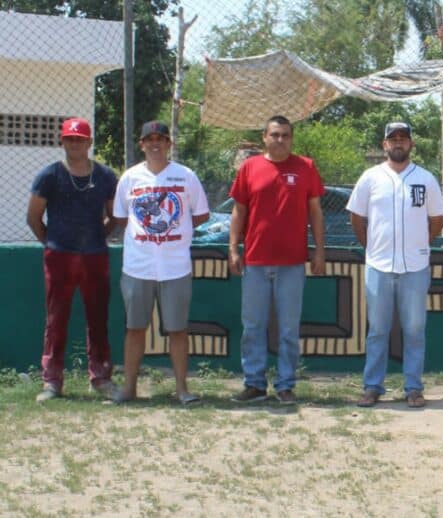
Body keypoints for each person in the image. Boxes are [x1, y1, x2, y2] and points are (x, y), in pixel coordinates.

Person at [229, 115, 326, 405]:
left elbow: (316, 213)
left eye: (285, 135)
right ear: (264, 137)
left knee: (288, 329)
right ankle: (255, 384)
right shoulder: (249, 168)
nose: (280, 140)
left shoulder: (305, 167)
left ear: (291, 138)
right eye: (275, 135)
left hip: (293, 262)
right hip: (256, 261)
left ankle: (285, 385)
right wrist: (234, 248)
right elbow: (238, 212)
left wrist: (319, 249)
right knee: (253, 327)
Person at [112, 121, 210, 403]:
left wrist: (175, 229)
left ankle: (182, 389)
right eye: (149, 139)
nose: (155, 144)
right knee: (134, 328)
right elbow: (121, 216)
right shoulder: (130, 178)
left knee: (177, 329)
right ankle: (129, 388)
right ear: (141, 144)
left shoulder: (186, 176)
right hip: (137, 266)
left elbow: (200, 213)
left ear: (169, 144)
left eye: (161, 139)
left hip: (175, 265)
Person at [348, 122, 443, 408]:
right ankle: (372, 386)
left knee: (414, 329)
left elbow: (437, 220)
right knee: (378, 329)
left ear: (411, 144)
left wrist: (419, 244)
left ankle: (413, 387)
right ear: (384, 145)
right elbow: (357, 216)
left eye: (403, 138)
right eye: (393, 139)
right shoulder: (370, 177)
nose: (398, 143)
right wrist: (372, 245)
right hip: (379, 264)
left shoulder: (426, 179)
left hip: (415, 266)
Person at [26, 117, 120, 402]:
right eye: (70, 138)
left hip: (95, 256)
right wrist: (54, 243)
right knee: (56, 318)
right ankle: (52, 381)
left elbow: (114, 216)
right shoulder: (49, 175)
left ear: (90, 142)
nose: (75, 143)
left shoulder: (105, 176)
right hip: (59, 256)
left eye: (80, 139)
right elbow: (33, 217)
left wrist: (95, 238)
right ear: (62, 141)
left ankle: (101, 378)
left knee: (98, 317)